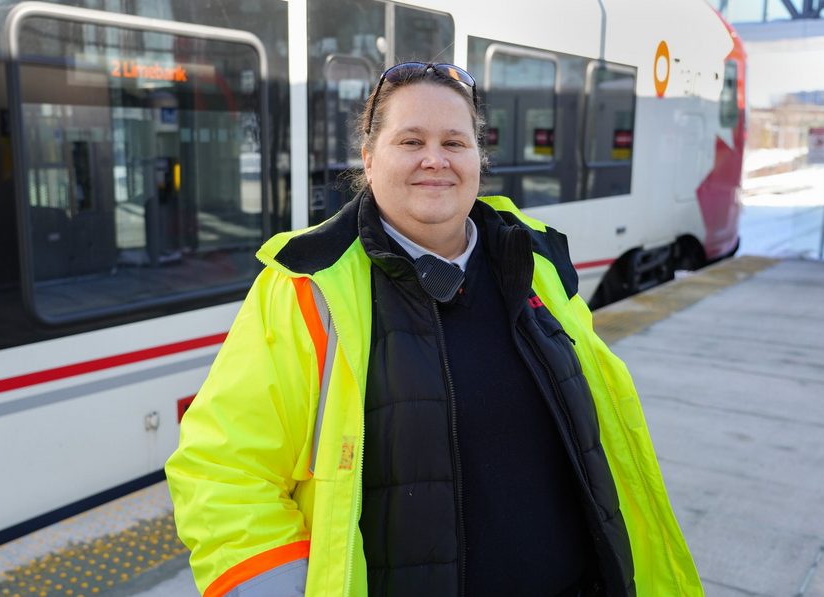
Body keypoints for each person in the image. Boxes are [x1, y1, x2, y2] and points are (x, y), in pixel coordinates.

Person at [165, 62, 703, 597]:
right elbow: (223, 472)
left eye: (454, 142)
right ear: (369, 159)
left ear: (477, 158)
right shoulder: (308, 286)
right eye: (410, 141)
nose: (435, 159)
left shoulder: (534, 259)